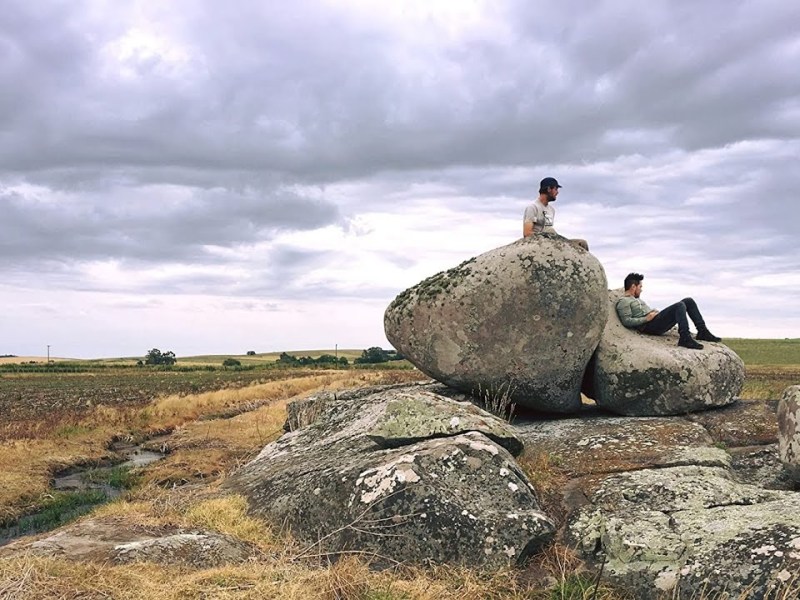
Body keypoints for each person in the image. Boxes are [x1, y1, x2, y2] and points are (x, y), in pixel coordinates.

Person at [615, 272, 722, 350]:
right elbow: (626, 321)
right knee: (679, 305)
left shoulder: (636, 299)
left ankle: (702, 331)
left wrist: (653, 312)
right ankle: (684, 337)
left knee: (688, 301)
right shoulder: (624, 301)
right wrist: (646, 318)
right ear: (633, 287)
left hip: (655, 321)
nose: (641, 289)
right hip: (649, 326)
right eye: (640, 287)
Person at [523, 177, 588, 250]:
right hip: (538, 244)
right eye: (556, 189)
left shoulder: (551, 210)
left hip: (552, 241)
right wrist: (547, 236)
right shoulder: (532, 207)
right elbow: (527, 233)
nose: (557, 192)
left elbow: (549, 227)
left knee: (582, 243)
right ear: (548, 189)